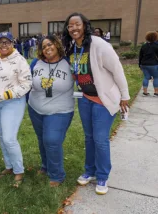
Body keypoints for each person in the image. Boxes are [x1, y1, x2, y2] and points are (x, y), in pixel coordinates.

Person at [62, 12, 130, 195]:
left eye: (77, 24)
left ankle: (102, 175)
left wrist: (125, 95)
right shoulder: (71, 47)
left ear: (85, 25)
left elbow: (117, 70)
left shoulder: (99, 45)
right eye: (70, 26)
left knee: (100, 139)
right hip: (85, 98)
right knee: (89, 137)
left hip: (104, 99)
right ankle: (89, 171)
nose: (74, 28)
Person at [0, 32, 32, 187]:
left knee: (9, 138)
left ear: (13, 43)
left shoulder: (20, 60)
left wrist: (8, 94)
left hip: (12, 102)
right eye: (1, 42)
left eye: (7, 42)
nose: (4, 45)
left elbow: (26, 84)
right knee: (1, 136)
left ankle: (19, 171)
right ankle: (9, 166)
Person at [28, 35, 74, 187]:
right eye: (43, 46)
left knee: (52, 140)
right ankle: (46, 165)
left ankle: (57, 175)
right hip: (36, 108)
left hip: (60, 109)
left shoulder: (68, 62)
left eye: (50, 44)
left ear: (56, 44)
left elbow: (84, 78)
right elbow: (27, 81)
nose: (47, 48)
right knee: (42, 139)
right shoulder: (36, 63)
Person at [138, 31, 158, 97]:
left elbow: (140, 56)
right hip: (154, 64)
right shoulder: (156, 46)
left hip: (144, 64)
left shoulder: (143, 46)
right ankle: (156, 92)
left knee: (146, 77)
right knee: (156, 77)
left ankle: (145, 92)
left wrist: (139, 64)